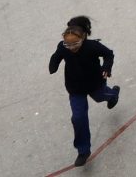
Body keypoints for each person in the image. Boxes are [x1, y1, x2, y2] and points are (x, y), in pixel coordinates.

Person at [48, 15, 120, 167]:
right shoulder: (63, 47)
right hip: (75, 88)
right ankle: (83, 150)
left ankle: (113, 94)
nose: (71, 47)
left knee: (102, 96)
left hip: (95, 84)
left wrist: (106, 67)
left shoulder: (92, 46)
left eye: (75, 44)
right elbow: (57, 56)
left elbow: (109, 54)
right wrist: (53, 64)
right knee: (78, 118)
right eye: (68, 45)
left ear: (84, 38)